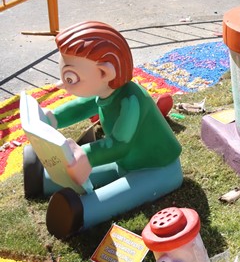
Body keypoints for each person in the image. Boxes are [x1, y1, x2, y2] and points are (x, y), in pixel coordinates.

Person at [22, 20, 183, 239]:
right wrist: (53, 118)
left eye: (70, 78)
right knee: (86, 168)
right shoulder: (106, 90)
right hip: (125, 162)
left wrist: (85, 155)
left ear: (104, 72)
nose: (63, 84)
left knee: (115, 196)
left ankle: (81, 212)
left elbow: (119, 145)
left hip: (158, 168)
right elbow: (82, 106)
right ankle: (41, 177)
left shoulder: (131, 101)